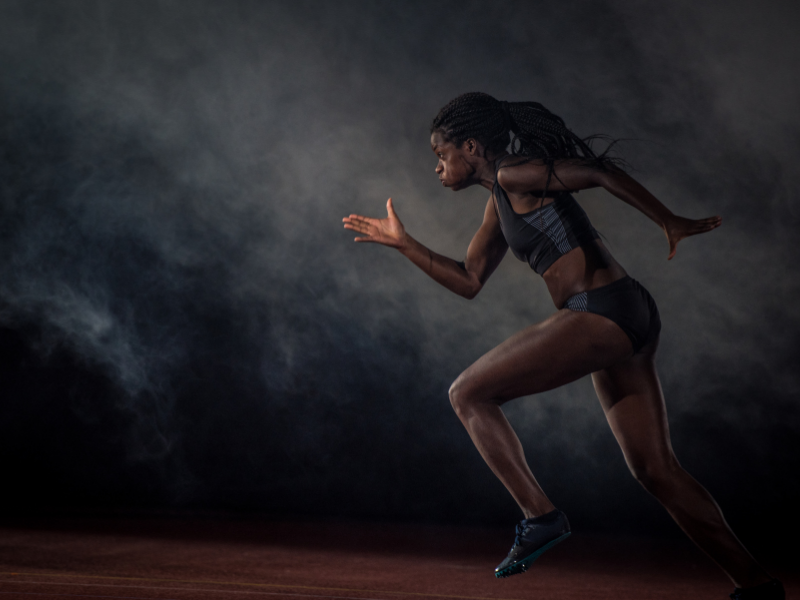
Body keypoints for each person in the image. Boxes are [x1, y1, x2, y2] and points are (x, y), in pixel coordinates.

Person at [342, 92, 783, 600]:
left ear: (470, 146)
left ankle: (540, 517)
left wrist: (668, 219)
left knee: (467, 395)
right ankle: (757, 586)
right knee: (655, 470)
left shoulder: (513, 173)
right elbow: (468, 280)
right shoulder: (499, 202)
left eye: (442, 155)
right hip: (625, 311)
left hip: (600, 310)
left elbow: (599, 173)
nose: (437, 168)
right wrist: (406, 244)